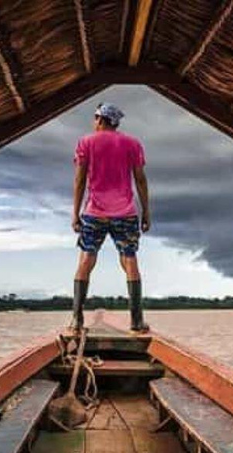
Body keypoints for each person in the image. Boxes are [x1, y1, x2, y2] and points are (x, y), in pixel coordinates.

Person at [69, 103, 150, 333]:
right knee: (130, 259)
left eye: (95, 118)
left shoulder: (86, 142)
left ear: (101, 119)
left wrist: (75, 213)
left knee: (86, 259)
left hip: (94, 212)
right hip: (125, 212)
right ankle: (136, 321)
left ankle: (77, 320)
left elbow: (80, 181)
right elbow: (141, 180)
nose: (93, 122)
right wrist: (146, 212)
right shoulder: (132, 144)